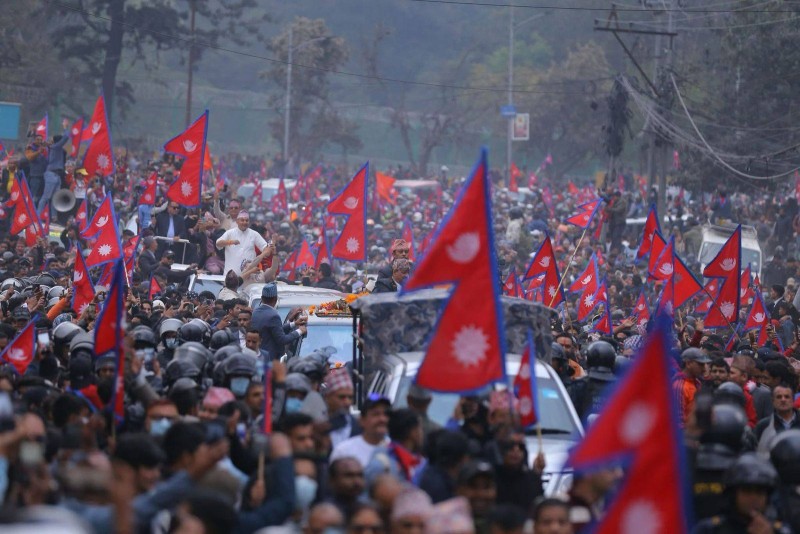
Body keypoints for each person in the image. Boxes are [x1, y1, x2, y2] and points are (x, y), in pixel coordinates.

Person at [692, 454, 788, 534]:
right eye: (747, 491)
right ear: (733, 494)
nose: (753, 498)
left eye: (759, 492)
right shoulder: (710, 529)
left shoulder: (780, 530)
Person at [330, 394, 390, 468]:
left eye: (386, 414)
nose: (382, 419)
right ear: (362, 420)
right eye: (376, 414)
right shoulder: (344, 451)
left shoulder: (396, 450)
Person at [250, 283, 307, 360]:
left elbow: (273, 329)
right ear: (275, 299)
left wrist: (294, 324)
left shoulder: (255, 312)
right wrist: (299, 331)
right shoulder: (273, 315)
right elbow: (282, 339)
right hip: (269, 359)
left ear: (262, 298)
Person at [216, 210, 269, 276]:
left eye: (247, 220)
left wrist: (261, 256)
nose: (245, 222)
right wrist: (231, 242)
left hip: (249, 276)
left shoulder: (254, 234)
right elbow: (218, 243)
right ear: (237, 221)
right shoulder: (230, 233)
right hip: (230, 278)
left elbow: (266, 248)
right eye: (242, 220)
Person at [755, 384, 800, 453]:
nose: (783, 400)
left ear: (793, 400)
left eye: (787, 397)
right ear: (773, 401)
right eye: (779, 397)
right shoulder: (763, 426)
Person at [673, 348, 711, 427]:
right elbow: (678, 422)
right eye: (700, 364)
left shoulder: (697, 382)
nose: (704, 368)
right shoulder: (679, 386)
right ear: (688, 364)